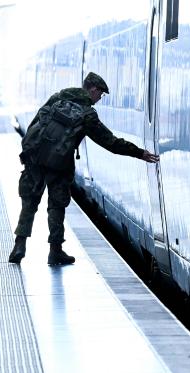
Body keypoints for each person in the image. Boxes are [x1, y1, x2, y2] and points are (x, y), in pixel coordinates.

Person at [8, 72, 159, 265]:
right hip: (59, 164)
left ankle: (19, 245)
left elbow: (36, 123)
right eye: (100, 94)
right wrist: (139, 153)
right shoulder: (88, 114)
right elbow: (110, 142)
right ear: (93, 89)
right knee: (56, 206)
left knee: (29, 203)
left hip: (35, 158)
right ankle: (55, 251)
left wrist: (30, 151)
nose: (99, 98)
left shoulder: (58, 97)